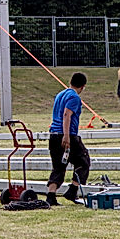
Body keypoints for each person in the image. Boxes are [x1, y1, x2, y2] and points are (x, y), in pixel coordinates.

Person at [45, 72, 90, 206]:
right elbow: (66, 115)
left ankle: (51, 196)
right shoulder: (74, 97)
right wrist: (66, 136)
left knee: (58, 166)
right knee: (83, 161)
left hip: (53, 134)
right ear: (83, 87)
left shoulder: (60, 94)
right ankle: (72, 190)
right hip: (66, 135)